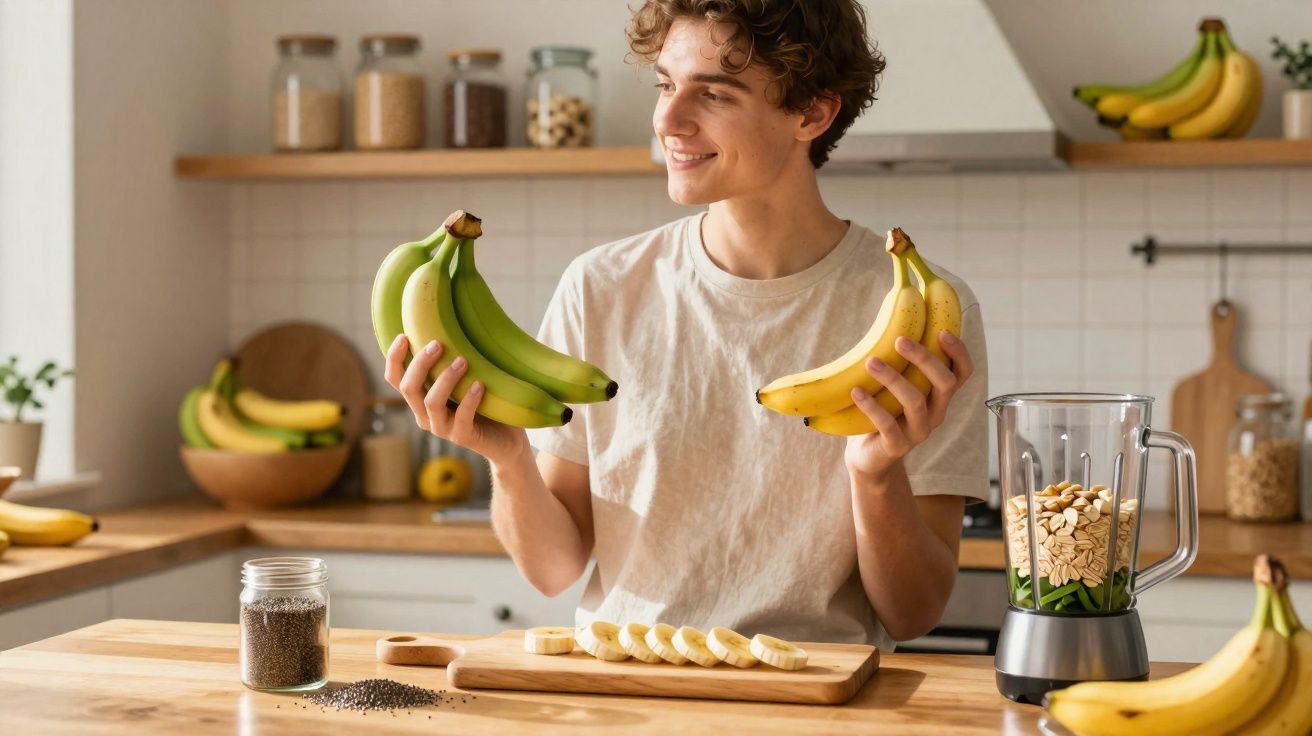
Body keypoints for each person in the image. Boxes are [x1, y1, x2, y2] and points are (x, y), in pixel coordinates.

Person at [385, 0, 988, 650]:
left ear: (812, 113)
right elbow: (555, 570)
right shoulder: (601, 287)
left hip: (810, 690)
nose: (668, 121)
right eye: (666, 85)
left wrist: (874, 475)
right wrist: (506, 459)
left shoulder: (920, 314)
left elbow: (912, 614)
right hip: (628, 683)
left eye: (714, 94)